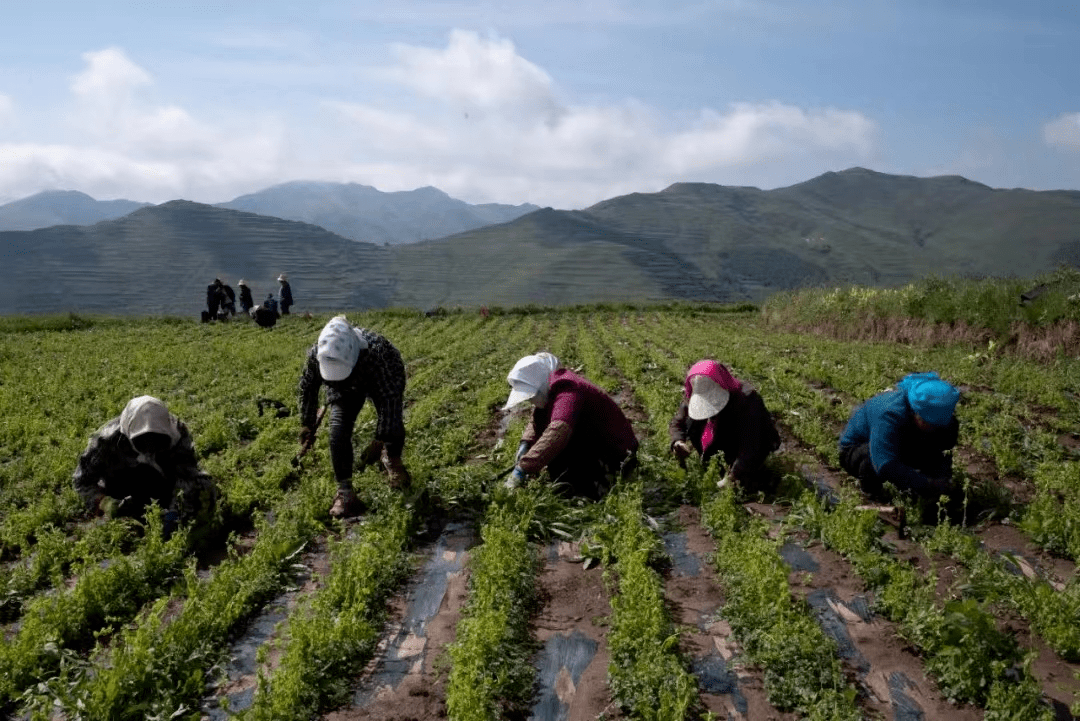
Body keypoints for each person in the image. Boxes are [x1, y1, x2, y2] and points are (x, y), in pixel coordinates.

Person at [298, 316, 410, 518]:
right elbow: (308, 388)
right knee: (337, 432)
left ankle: (393, 460)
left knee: (392, 425)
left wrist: (380, 439)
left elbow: (390, 402)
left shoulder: (379, 354)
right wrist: (307, 423)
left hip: (379, 378)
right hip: (343, 386)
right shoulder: (318, 355)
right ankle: (345, 493)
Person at [73, 396, 217, 540]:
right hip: (123, 490)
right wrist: (105, 503)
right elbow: (82, 482)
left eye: (157, 440)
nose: (150, 448)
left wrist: (175, 512)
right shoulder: (107, 440)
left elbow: (187, 476)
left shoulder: (177, 434)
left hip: (163, 485)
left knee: (203, 487)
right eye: (143, 440)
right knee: (122, 529)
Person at [504, 353, 638, 499]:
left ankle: (597, 486)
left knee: (561, 460)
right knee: (555, 462)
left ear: (540, 384)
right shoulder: (551, 390)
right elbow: (538, 417)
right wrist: (526, 443)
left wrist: (524, 467)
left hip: (615, 452)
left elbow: (559, 430)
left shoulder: (568, 389)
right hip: (593, 441)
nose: (530, 400)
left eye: (531, 395)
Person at [839, 371, 961, 501]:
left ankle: (922, 493)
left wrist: (942, 480)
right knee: (870, 458)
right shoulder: (889, 415)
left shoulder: (941, 416)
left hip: (901, 441)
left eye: (937, 424)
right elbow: (885, 464)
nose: (933, 428)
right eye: (928, 423)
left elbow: (944, 449)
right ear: (915, 413)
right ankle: (872, 493)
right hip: (857, 449)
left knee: (937, 446)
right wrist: (926, 484)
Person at [669, 360, 781, 491]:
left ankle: (753, 474)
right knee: (692, 423)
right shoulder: (694, 395)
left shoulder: (747, 400)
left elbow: (751, 445)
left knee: (748, 481)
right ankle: (713, 461)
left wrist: (733, 476)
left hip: (748, 441)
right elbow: (678, 422)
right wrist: (678, 441)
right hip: (720, 437)